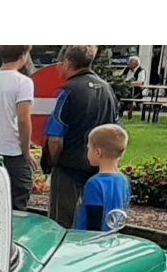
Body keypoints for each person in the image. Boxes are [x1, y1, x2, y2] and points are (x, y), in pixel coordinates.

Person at [42, 45, 120, 228]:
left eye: (60, 63)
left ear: (68, 63)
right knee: (95, 222)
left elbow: (55, 137)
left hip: (69, 168)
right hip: (98, 168)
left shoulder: (68, 91)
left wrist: (52, 163)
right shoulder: (107, 89)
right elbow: (116, 131)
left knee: (61, 223)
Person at [0, 45, 36, 211]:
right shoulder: (23, 82)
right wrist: (26, 150)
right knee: (18, 198)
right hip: (11, 149)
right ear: (24, 56)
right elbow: (23, 119)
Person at [73, 124, 131, 233]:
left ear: (97, 152)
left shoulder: (94, 183)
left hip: (88, 241)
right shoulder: (123, 181)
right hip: (112, 238)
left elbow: (93, 221)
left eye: (89, 148)